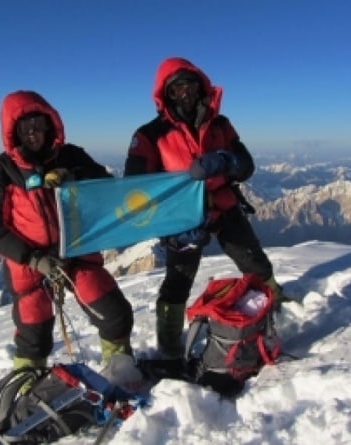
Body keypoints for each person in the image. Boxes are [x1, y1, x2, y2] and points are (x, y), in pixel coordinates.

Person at [123, 57, 288, 359]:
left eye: (190, 85)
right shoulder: (149, 135)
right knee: (178, 281)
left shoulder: (220, 125)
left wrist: (227, 161)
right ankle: (169, 343)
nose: (184, 93)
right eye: (176, 89)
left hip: (223, 206)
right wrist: (172, 223)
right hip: (183, 217)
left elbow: (246, 165)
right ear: (165, 96)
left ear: (202, 87)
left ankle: (276, 308)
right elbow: (136, 190)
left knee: (256, 264)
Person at [0, 90, 138, 378]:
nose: (34, 133)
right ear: (13, 131)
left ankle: (120, 373)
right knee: (34, 335)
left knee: (115, 314)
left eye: (39, 124)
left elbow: (107, 189)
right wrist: (33, 259)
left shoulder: (72, 156)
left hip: (77, 252)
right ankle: (26, 388)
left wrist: (74, 178)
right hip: (28, 264)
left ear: (51, 124)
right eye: (26, 128)